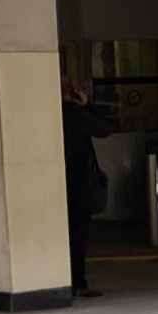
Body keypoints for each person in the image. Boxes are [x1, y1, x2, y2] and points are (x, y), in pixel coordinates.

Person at [61, 77, 116, 300]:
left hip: (56, 181)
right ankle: (78, 282)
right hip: (79, 181)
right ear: (73, 92)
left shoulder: (46, 113)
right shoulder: (75, 113)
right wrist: (87, 105)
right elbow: (105, 128)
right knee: (78, 234)